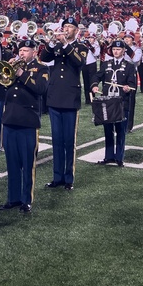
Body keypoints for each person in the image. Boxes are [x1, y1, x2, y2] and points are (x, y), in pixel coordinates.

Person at [0, 39, 48, 213]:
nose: (22, 53)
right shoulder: (12, 67)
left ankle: (26, 200)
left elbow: (41, 88)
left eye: (26, 50)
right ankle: (13, 198)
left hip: (28, 120)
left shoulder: (42, 68)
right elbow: (1, 85)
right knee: (11, 163)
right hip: (10, 119)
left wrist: (21, 74)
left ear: (34, 52)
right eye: (20, 50)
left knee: (27, 163)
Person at [44, 17, 89, 190]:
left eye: (70, 27)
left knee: (69, 141)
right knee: (57, 140)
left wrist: (65, 45)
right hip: (55, 96)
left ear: (76, 31)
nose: (66, 29)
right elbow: (44, 56)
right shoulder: (56, 45)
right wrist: (51, 41)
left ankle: (68, 178)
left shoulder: (81, 47)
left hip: (70, 98)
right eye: (65, 26)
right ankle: (57, 177)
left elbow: (79, 62)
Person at [91, 39, 136, 166]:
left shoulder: (129, 66)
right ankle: (109, 156)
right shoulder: (106, 64)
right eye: (114, 50)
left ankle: (119, 158)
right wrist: (94, 86)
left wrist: (128, 87)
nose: (116, 51)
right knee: (108, 130)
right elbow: (96, 76)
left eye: (118, 49)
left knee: (121, 131)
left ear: (123, 51)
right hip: (107, 102)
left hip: (121, 103)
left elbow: (132, 84)